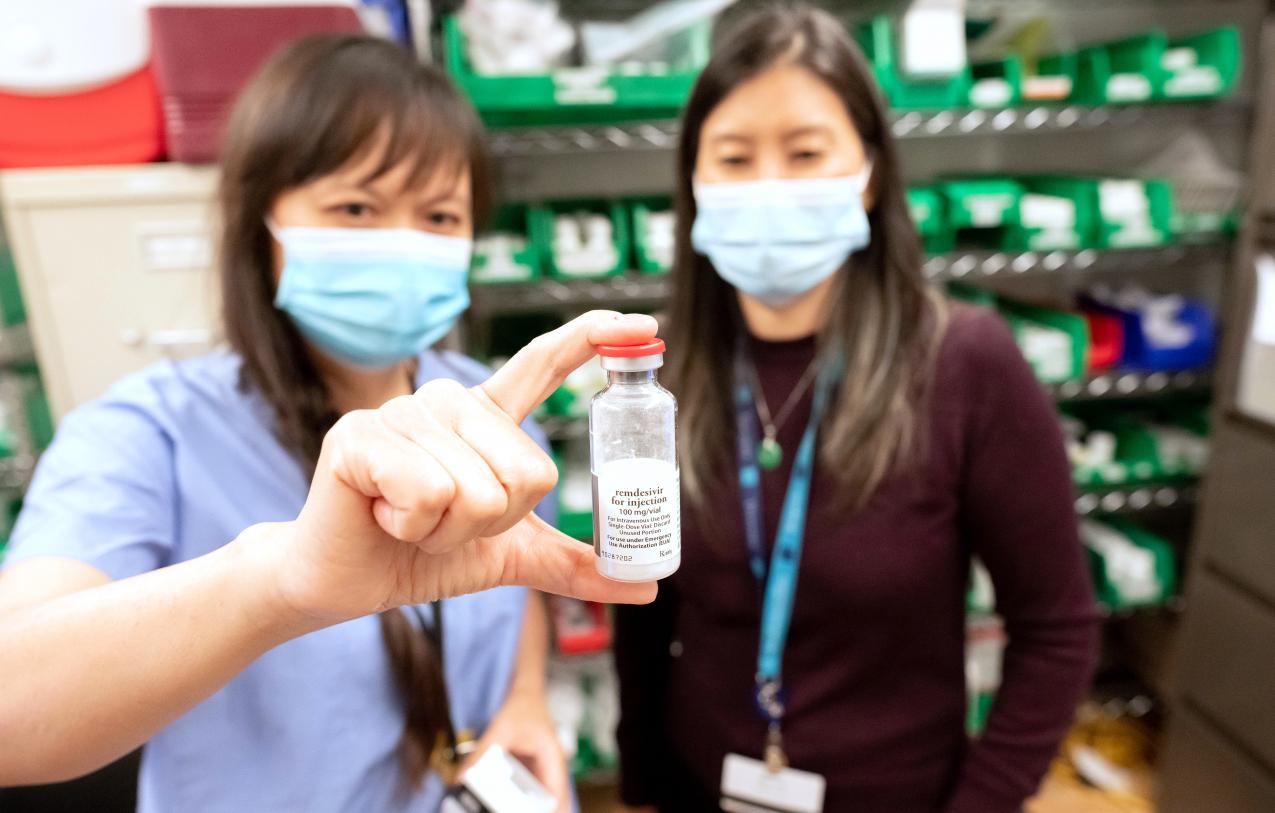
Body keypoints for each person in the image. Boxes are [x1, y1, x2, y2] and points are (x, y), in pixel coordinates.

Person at [0, 35, 656, 812]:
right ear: (263, 221)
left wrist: (522, 699)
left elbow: (520, 579)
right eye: (355, 207)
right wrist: (277, 585)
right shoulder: (146, 431)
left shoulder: (489, 408)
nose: (401, 242)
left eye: (439, 215)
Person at [613, 6, 1098, 813]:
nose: (768, 184)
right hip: (703, 783)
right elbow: (642, 607)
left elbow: (1055, 630)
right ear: (693, 184)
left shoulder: (965, 361)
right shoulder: (662, 371)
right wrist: (644, 784)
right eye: (733, 157)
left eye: (806, 153)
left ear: (869, 173)